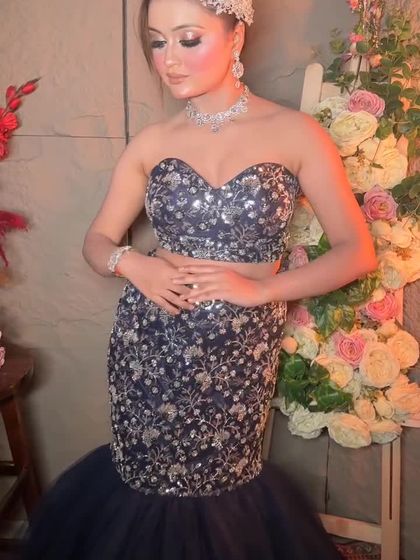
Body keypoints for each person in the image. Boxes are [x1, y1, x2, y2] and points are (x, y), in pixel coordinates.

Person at [22, 0, 378, 558]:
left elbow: (357, 252)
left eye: (188, 39)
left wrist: (260, 290)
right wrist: (133, 264)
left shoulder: (295, 133)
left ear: (235, 37)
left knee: (222, 485)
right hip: (149, 344)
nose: (169, 60)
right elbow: (97, 242)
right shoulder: (153, 141)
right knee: (146, 483)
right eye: (157, 41)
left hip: (238, 349)